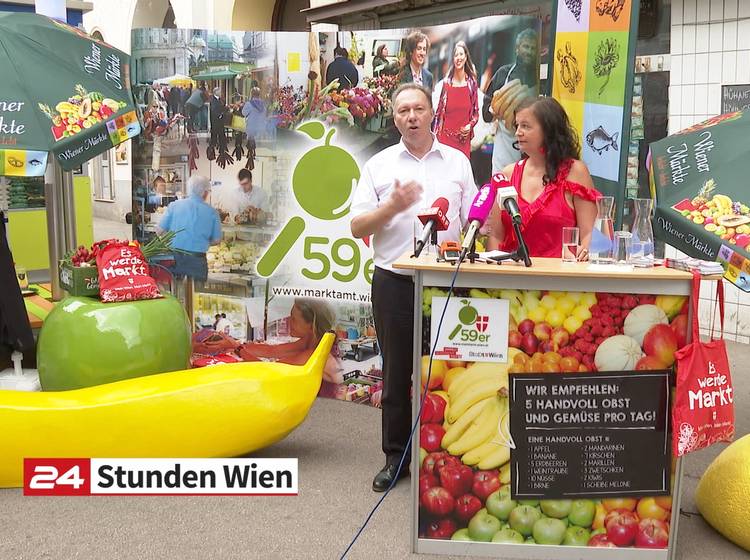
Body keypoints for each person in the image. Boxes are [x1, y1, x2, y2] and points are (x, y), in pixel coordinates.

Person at [350, 83, 477, 492]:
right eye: (403, 110)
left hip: (448, 284)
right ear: (394, 118)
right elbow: (356, 227)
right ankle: (396, 458)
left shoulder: (457, 163)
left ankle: (448, 456)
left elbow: (475, 218)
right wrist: (392, 206)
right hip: (395, 283)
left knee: (449, 373)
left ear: (431, 113)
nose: (412, 116)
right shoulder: (379, 166)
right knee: (398, 376)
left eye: (418, 108)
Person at [486, 96, 600, 259]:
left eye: (525, 126)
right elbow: (496, 236)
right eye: (517, 125)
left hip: (559, 279)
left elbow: (589, 233)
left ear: (548, 130)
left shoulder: (576, 172)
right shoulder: (507, 175)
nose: (518, 132)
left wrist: (584, 254)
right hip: (511, 279)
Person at [236, 299, 343, 396]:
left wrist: (239, 350)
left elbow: (269, 370)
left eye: (294, 319)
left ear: (311, 326)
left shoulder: (316, 354)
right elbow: (272, 350)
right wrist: (234, 345)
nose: (288, 321)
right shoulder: (310, 340)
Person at [482, 28, 540, 173]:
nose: (529, 51)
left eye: (533, 48)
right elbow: (485, 114)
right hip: (505, 151)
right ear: (517, 48)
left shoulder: (542, 78)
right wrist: (495, 109)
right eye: (526, 46)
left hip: (532, 155)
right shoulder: (503, 74)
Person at [157, 175, 222, 282]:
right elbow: (217, 240)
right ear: (205, 192)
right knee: (195, 296)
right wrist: (201, 241)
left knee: (175, 293)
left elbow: (159, 230)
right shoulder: (212, 212)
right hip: (197, 262)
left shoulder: (174, 206)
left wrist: (171, 241)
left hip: (174, 259)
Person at [432, 41, 480, 159]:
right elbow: (438, 114)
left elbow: (475, 113)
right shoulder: (446, 84)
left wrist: (470, 125)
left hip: (463, 140)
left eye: (461, 54)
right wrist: (434, 139)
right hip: (445, 140)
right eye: (456, 55)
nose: (458, 58)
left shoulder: (471, 84)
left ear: (466, 57)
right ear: (453, 59)